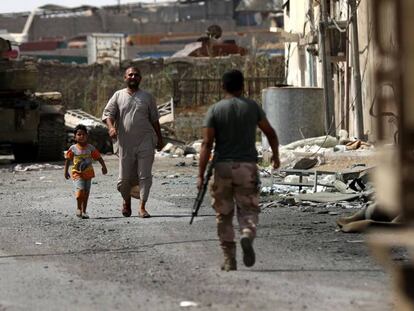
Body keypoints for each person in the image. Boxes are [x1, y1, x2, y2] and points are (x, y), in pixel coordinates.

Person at [198, 69, 280, 271]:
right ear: (243, 86)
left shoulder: (215, 110)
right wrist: (276, 156)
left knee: (223, 214)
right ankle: (247, 234)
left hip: (222, 168)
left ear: (222, 87)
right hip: (247, 167)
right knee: (249, 209)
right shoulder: (252, 107)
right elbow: (270, 132)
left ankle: (229, 258)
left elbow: (207, 144)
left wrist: (200, 174)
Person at [102, 66, 163, 218]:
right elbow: (108, 114)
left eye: (136, 75)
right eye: (130, 75)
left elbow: (155, 120)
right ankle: (126, 202)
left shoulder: (147, 97)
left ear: (140, 78)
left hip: (145, 141)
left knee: (145, 175)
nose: (133, 77)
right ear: (125, 78)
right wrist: (111, 128)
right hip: (125, 142)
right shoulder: (118, 95)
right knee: (125, 178)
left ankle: (142, 207)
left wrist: (160, 139)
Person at [64, 124, 108, 219]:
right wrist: (66, 171)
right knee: (80, 193)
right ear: (75, 137)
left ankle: (84, 211)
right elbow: (68, 159)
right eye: (79, 134)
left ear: (87, 136)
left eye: (83, 134)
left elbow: (99, 157)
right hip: (77, 174)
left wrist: (104, 167)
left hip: (88, 174)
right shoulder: (73, 148)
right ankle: (78, 208)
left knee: (86, 193)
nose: (81, 136)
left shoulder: (90, 148)